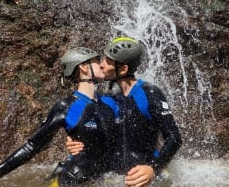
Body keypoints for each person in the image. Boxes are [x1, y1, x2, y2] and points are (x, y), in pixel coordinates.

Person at [0, 47, 115, 187]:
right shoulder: (66, 106)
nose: (102, 64)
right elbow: (32, 146)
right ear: (84, 67)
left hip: (102, 179)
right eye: (96, 61)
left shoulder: (110, 102)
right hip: (70, 180)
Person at [66, 36, 182, 187]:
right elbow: (89, 127)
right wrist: (74, 139)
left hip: (142, 178)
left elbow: (174, 137)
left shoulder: (149, 93)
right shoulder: (109, 99)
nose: (100, 65)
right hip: (113, 178)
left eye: (107, 61)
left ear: (123, 69)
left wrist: (153, 168)